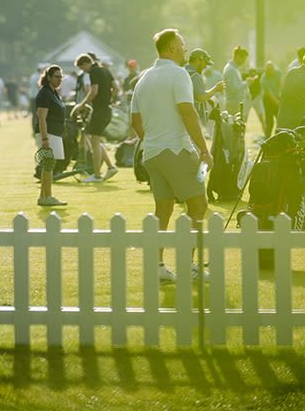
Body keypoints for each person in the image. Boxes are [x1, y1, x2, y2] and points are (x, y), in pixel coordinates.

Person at [131, 28, 213, 283]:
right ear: (171, 48)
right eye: (182, 43)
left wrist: (153, 141)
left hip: (152, 154)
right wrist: (204, 149)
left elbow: (135, 121)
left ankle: (157, 266)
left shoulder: (143, 78)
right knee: (199, 206)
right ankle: (189, 266)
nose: (186, 47)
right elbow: (188, 113)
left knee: (163, 209)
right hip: (177, 150)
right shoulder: (179, 74)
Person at [72, 53, 119, 182]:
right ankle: (110, 167)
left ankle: (97, 175)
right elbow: (116, 88)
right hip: (107, 109)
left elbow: (94, 92)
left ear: (86, 63)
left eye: (82, 68)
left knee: (94, 141)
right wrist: (109, 98)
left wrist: (81, 105)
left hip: (100, 110)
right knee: (95, 141)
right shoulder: (105, 70)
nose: (83, 71)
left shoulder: (93, 72)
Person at [34, 64, 70, 208]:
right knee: (48, 165)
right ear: (48, 77)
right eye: (56, 77)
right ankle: (47, 196)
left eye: (61, 77)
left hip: (54, 133)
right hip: (48, 133)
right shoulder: (44, 94)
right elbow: (42, 118)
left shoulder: (53, 92)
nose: (59, 79)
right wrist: (44, 139)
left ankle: (44, 196)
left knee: (48, 165)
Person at [223, 46, 250, 128]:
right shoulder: (231, 70)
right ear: (238, 56)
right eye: (243, 59)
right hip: (233, 104)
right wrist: (247, 83)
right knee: (234, 130)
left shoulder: (234, 69)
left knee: (237, 129)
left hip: (236, 103)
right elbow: (233, 89)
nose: (244, 62)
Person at [259, 61, 282, 138]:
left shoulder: (278, 73)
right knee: (269, 122)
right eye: (268, 70)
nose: (270, 72)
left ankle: (279, 137)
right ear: (265, 70)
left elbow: (282, 84)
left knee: (280, 119)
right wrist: (280, 105)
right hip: (268, 100)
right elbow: (270, 95)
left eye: (271, 70)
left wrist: (282, 97)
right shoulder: (263, 79)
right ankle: (267, 139)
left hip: (277, 97)